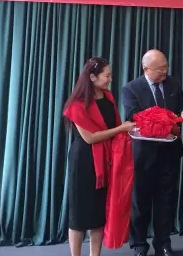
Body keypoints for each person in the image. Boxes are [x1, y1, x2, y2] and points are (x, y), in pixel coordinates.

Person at [122, 50, 183, 256]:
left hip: (169, 152)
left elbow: (181, 103)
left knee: (166, 201)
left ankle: (163, 242)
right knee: (140, 202)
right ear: (146, 69)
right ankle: (139, 244)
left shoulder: (173, 83)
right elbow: (132, 116)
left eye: (166, 67)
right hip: (144, 154)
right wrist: (161, 121)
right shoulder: (131, 88)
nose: (164, 72)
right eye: (160, 69)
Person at [63, 57, 135, 256]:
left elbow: (116, 127)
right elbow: (90, 138)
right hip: (84, 161)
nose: (110, 79)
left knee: (98, 214)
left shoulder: (108, 97)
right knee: (78, 216)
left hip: (105, 160)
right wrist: (121, 129)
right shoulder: (77, 105)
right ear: (92, 77)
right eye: (107, 76)